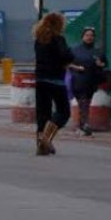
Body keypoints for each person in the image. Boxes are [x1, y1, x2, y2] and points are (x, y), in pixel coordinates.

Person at [33, 12, 74, 156]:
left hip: (40, 79)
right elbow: (66, 56)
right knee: (63, 111)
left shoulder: (39, 40)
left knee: (43, 113)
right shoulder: (58, 39)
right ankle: (46, 137)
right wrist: (69, 54)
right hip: (55, 79)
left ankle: (41, 145)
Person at [69, 26, 107, 137]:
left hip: (91, 81)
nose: (89, 37)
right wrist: (77, 68)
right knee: (83, 101)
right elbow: (67, 64)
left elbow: (105, 64)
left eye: (91, 35)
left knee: (86, 102)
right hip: (78, 80)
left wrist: (101, 65)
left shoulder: (98, 52)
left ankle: (82, 126)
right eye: (87, 35)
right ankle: (84, 124)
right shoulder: (74, 50)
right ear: (82, 37)